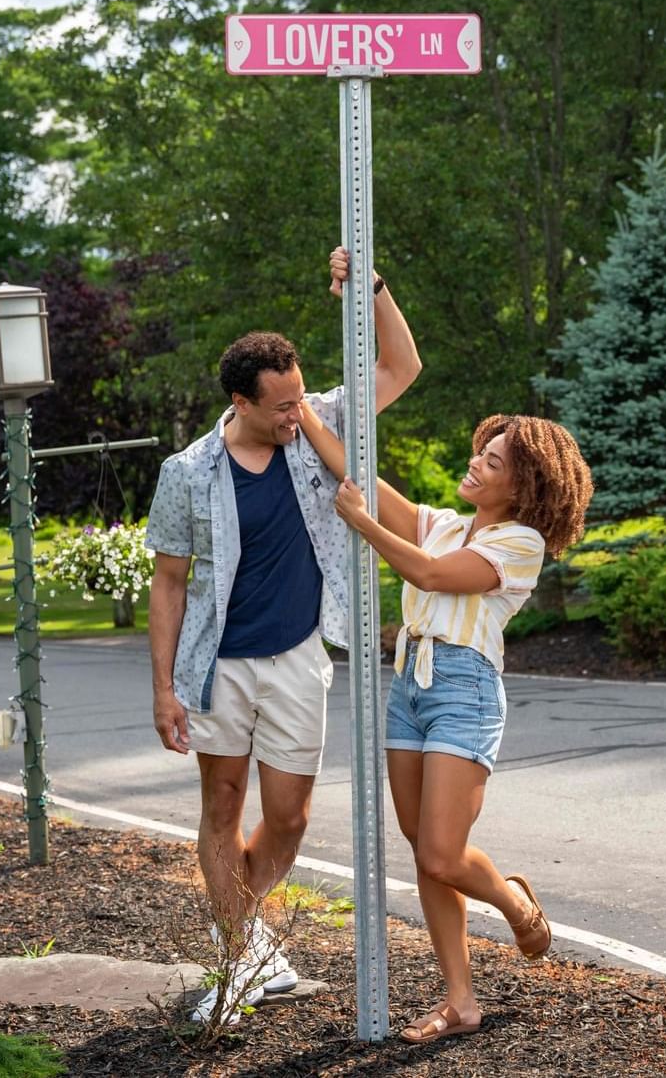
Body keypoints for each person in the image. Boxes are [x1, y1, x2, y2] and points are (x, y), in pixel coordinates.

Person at [144, 247, 421, 1023]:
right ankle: (238, 963)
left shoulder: (320, 424)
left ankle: (242, 926)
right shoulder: (188, 471)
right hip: (219, 667)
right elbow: (168, 581)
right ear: (241, 399)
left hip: (300, 655)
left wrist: (369, 285)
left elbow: (402, 365)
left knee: (291, 816)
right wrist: (163, 686)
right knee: (222, 805)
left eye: (301, 399)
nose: (296, 414)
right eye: (281, 406)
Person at [295, 395, 592, 1044]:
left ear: (524, 483)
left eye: (493, 462)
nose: (475, 466)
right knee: (425, 854)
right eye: (479, 454)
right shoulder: (446, 523)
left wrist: (363, 525)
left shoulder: (520, 543)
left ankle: (515, 902)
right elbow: (365, 484)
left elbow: (429, 573)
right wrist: (307, 418)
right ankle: (460, 1001)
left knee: (440, 848)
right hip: (410, 685)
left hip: (465, 689)